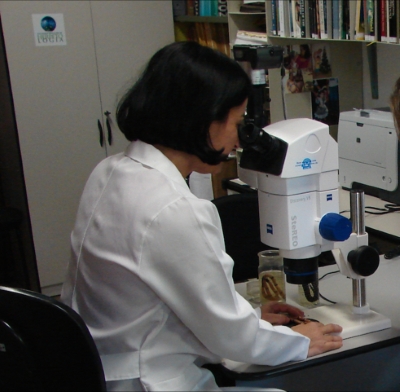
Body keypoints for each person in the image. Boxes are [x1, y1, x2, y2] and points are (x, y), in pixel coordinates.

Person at [61, 41, 343, 391]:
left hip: (97, 369)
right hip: (149, 379)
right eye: (237, 122)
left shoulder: (109, 172)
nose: (238, 139)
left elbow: (160, 301)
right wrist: (304, 341)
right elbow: (232, 339)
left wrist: (249, 317)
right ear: (205, 119)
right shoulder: (173, 210)